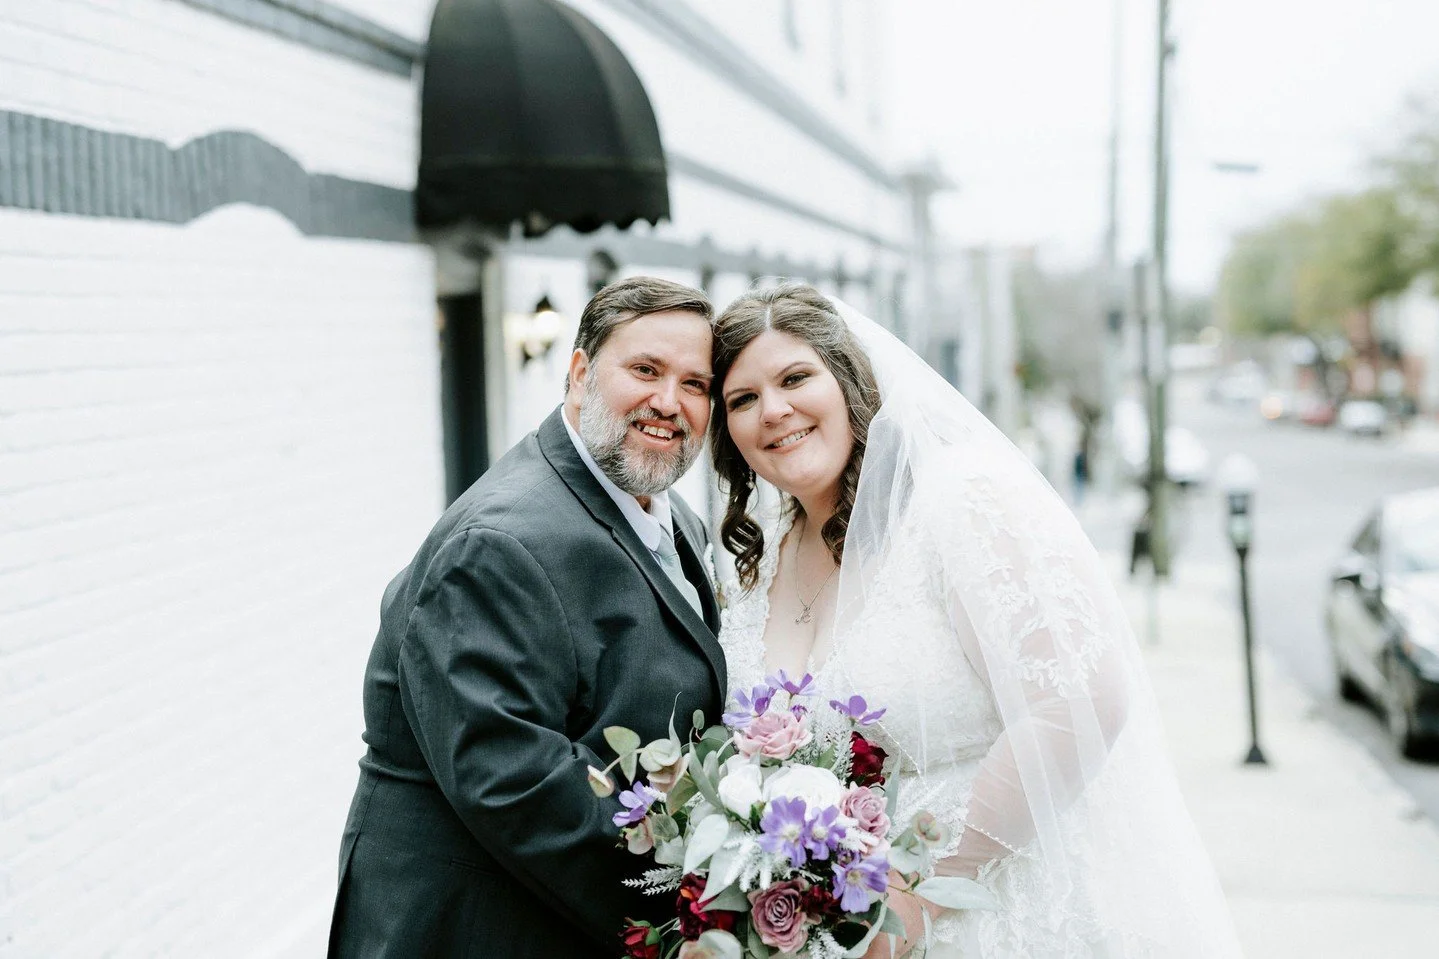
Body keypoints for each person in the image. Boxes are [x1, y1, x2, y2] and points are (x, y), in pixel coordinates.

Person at [709, 283, 1240, 958]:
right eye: (742, 399)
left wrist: (913, 900)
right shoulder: (754, 559)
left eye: (793, 378)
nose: (773, 411)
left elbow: (1077, 699)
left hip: (995, 913)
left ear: (845, 380)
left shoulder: (957, 500)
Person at [328, 277, 727, 959]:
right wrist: (690, 911)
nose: (669, 401)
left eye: (695, 384)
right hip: (475, 928)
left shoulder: (666, 511)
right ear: (578, 373)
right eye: (644, 370)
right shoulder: (498, 544)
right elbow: (515, 783)